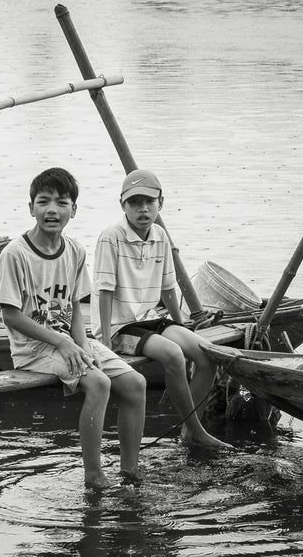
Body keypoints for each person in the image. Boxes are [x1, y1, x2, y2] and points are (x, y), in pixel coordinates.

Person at [0, 167, 148, 488]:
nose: (52, 210)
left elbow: (77, 309)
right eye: (43, 202)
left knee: (135, 383)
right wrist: (64, 345)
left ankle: (130, 472)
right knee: (99, 384)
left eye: (61, 203)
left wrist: (83, 345)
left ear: (73, 210)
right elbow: (11, 316)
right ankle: (93, 475)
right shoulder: (15, 254)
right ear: (31, 208)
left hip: (69, 341)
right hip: (33, 349)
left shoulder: (75, 251)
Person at [91, 169, 231, 449]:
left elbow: (168, 289)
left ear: (160, 203)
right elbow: (104, 291)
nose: (142, 209)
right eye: (135, 203)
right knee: (174, 355)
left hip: (151, 319)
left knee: (207, 355)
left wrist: (181, 325)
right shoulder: (111, 236)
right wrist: (105, 342)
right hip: (121, 327)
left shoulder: (160, 236)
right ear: (123, 205)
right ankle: (194, 430)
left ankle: (191, 429)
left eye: (149, 203)